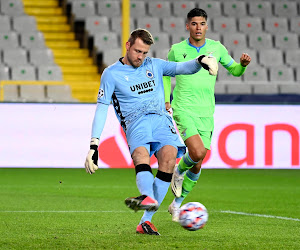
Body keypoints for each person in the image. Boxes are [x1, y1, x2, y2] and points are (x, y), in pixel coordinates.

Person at [84, 28, 218, 235]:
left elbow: (183, 68)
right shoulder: (111, 74)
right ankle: (147, 197)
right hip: (135, 122)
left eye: (145, 52)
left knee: (169, 157)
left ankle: (146, 221)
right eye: (137, 51)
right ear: (128, 46)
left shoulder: (154, 65)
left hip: (161, 120)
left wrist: (200, 60)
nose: (141, 57)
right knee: (141, 156)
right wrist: (94, 145)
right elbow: (102, 107)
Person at [163, 8, 251, 222]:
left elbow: (235, 71)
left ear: (207, 26)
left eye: (202, 23)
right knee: (197, 151)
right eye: (194, 23)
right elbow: (166, 74)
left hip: (206, 112)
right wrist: (166, 99)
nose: (198, 27)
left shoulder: (217, 48)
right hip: (183, 108)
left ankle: (176, 204)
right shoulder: (177, 50)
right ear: (187, 26)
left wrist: (243, 65)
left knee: (198, 161)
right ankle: (178, 170)